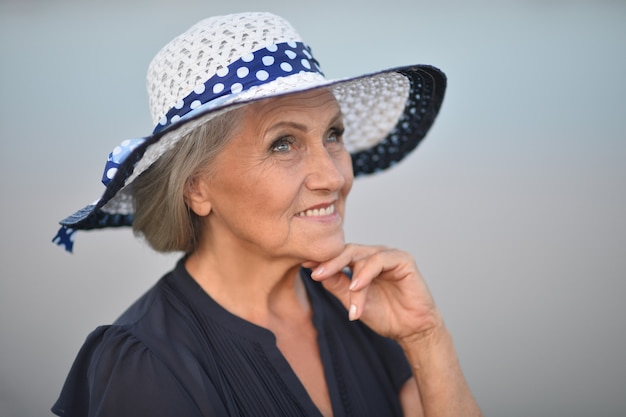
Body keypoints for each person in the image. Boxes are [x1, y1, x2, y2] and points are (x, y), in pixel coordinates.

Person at [51, 12, 482, 417]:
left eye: (333, 134)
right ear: (196, 188)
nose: (332, 176)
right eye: (283, 144)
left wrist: (424, 337)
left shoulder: (363, 312)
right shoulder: (147, 364)